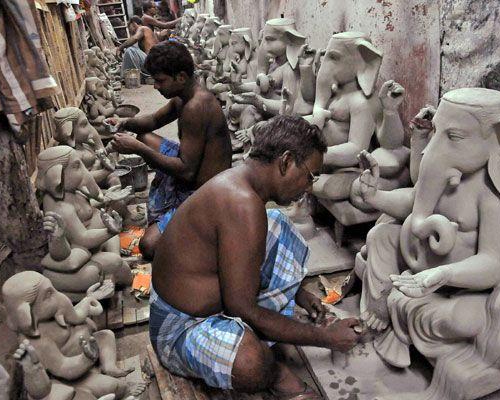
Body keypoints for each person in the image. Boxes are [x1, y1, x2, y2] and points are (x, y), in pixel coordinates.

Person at [149, 115, 362, 398]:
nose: (309, 187)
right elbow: (242, 309)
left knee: (277, 222)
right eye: (310, 175)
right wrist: (325, 338)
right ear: (286, 162)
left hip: (210, 299)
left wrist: (299, 294)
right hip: (179, 327)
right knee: (251, 364)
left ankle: (276, 320)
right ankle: (275, 374)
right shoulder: (242, 205)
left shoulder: (243, 184)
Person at [109, 41, 231, 259]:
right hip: (190, 167)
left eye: (160, 81)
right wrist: (124, 122)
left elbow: (186, 171)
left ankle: (202, 236)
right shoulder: (182, 97)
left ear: (181, 77)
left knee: (149, 246)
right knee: (144, 136)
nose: (155, 86)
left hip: (205, 190)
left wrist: (138, 150)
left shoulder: (196, 106)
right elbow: (153, 120)